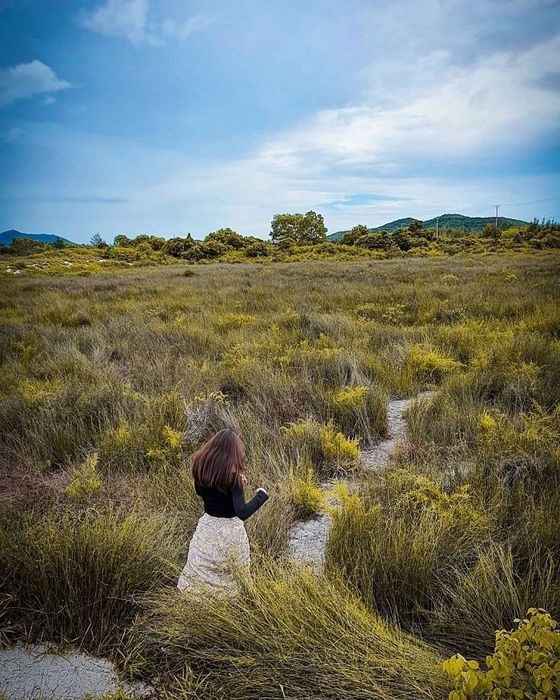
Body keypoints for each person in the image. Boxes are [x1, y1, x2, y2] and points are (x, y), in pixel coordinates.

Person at [177, 428, 269, 595]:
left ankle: (198, 601)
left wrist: (236, 478)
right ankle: (226, 611)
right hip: (230, 534)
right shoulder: (232, 478)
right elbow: (242, 513)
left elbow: (200, 493)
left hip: (207, 529)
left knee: (202, 570)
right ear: (234, 453)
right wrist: (261, 495)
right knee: (231, 576)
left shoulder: (200, 468)